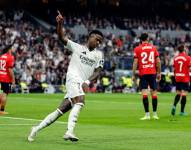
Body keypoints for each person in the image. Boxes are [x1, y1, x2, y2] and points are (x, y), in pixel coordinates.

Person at [28, 11, 104, 142]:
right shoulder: (77, 48)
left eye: (100, 41)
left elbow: (97, 71)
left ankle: (35, 129)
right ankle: (69, 131)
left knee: (60, 110)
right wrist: (60, 24)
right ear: (90, 37)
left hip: (80, 82)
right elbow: (61, 37)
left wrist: (87, 81)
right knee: (80, 101)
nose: (98, 43)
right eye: (97, 39)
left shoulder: (99, 55)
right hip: (73, 78)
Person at [132, 33, 161, 120]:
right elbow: (158, 61)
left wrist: (133, 74)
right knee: (154, 93)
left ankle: (147, 115)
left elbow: (135, 62)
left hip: (143, 73)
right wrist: (159, 72)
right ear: (148, 39)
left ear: (141, 40)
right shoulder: (153, 48)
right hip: (152, 72)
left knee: (144, 93)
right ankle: (155, 114)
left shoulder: (137, 49)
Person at [171, 44, 191, 116]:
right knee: (184, 94)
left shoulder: (175, 58)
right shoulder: (188, 57)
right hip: (185, 78)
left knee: (178, 93)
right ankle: (182, 112)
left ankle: (174, 106)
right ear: (184, 49)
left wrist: (176, 75)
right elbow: (189, 68)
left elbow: (174, 69)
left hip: (178, 77)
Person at [0, 44, 15, 115]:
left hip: (0, 76)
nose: (13, 49)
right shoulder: (10, 57)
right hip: (5, 78)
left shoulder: (2, 56)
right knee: (5, 93)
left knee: (2, 93)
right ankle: (2, 110)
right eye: (12, 48)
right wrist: (13, 80)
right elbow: (10, 70)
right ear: (9, 49)